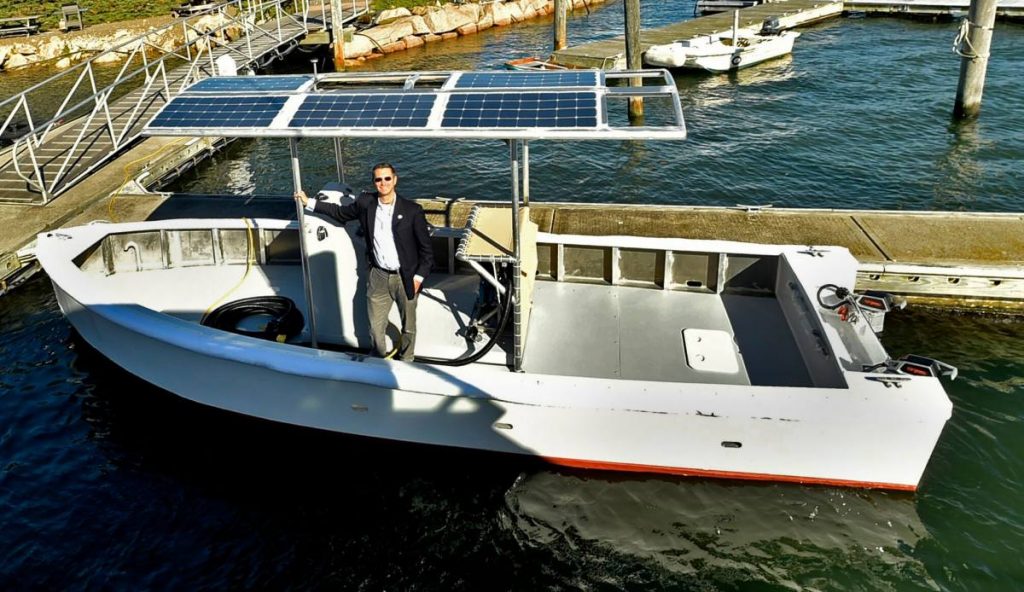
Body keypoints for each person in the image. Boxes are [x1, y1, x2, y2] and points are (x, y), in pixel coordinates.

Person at [294, 162, 433, 362]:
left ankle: (407, 360)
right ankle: (377, 359)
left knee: (409, 326)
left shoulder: (413, 211)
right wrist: (310, 202)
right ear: (374, 182)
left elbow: (427, 252)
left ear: (395, 180)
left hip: (406, 277)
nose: (383, 183)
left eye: (387, 178)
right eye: (378, 179)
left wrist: (418, 278)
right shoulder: (366, 203)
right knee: (376, 326)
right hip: (378, 275)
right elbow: (341, 213)